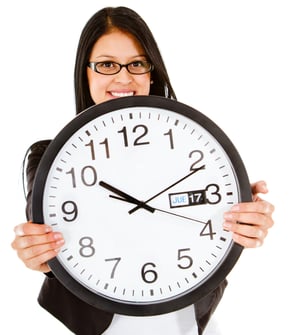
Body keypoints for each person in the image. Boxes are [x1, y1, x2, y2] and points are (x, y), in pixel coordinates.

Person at [11, 6, 275, 335]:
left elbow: (201, 213)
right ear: (86, 73)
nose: (124, 77)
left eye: (136, 63)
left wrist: (235, 206)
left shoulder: (192, 144)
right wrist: (38, 254)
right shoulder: (50, 157)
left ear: (152, 71)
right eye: (107, 64)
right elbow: (46, 226)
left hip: (189, 326)